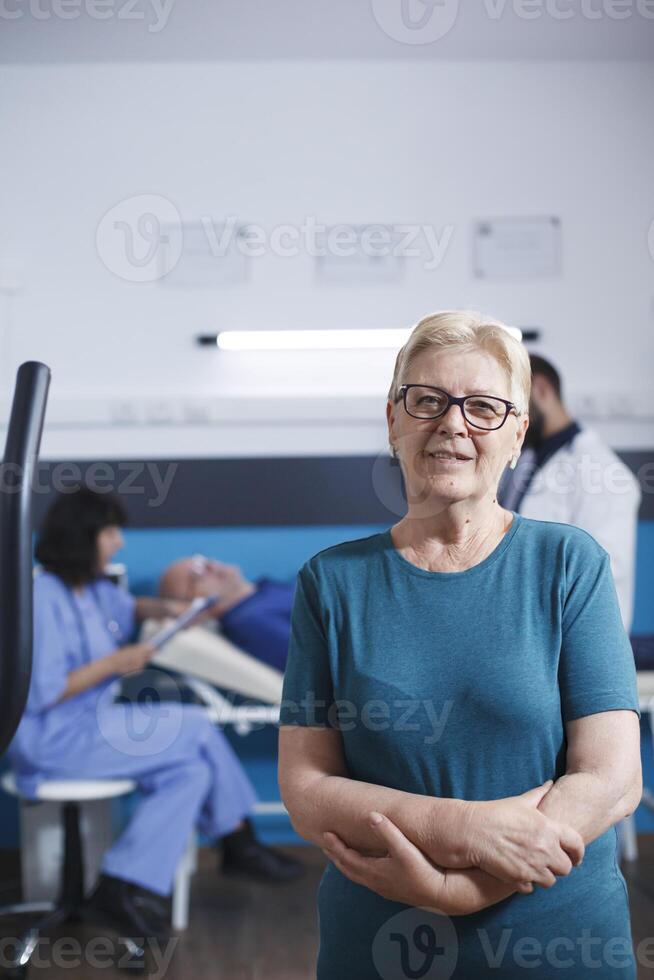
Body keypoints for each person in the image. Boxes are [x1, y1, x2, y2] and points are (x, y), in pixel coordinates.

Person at [278, 311, 642, 979]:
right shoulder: (331, 582)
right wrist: (467, 831)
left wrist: (463, 891)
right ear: (393, 420)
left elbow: (612, 775)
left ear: (517, 433)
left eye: (482, 407)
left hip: (559, 943)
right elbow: (305, 786)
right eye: (427, 401)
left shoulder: (568, 564)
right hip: (383, 947)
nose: (452, 424)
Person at [8, 489, 303, 946]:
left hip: (90, 727)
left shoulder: (91, 589)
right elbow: (43, 691)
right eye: (111, 532)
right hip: (52, 740)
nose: (119, 543)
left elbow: (128, 608)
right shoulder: (42, 598)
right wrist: (115, 663)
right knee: (195, 723)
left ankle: (120, 887)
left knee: (188, 773)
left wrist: (164, 610)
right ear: (83, 537)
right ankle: (237, 838)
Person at [499, 353, 641, 630]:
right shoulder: (527, 460)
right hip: (527, 628)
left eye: (513, 404)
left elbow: (603, 570)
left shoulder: (602, 472)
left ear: (540, 390)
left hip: (577, 635)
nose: (507, 416)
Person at [158, 557, 294, 672]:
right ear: (193, 607)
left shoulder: (264, 592)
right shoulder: (250, 621)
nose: (211, 566)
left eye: (203, 563)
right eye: (196, 576)